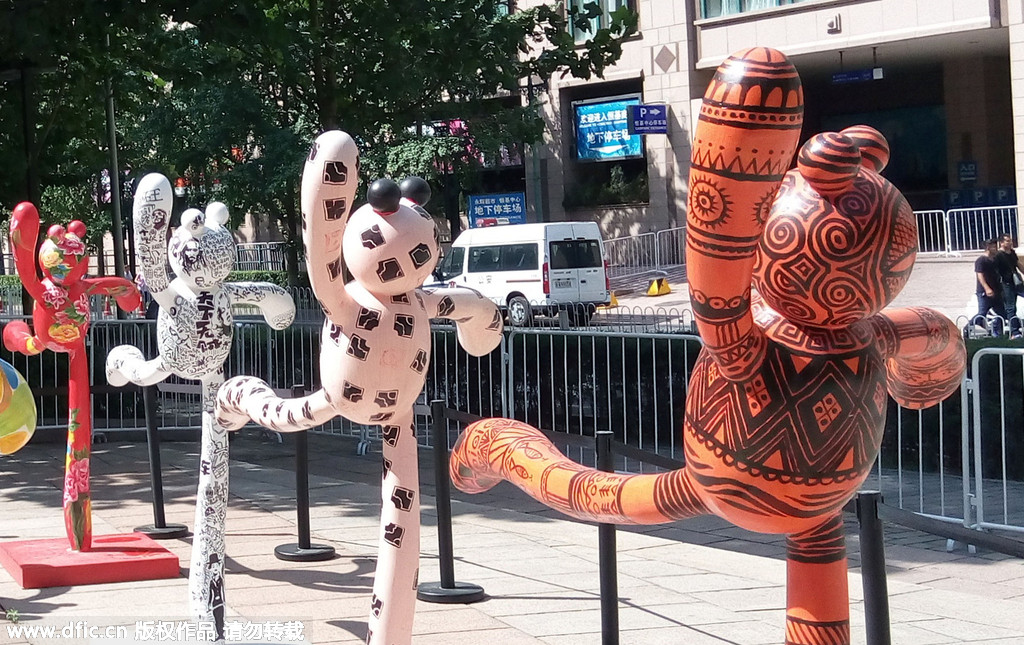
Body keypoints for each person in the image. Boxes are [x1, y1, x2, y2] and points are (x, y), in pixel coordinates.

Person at [975, 238, 1007, 336]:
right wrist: (987, 288)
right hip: (985, 291)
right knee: (982, 313)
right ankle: (968, 328)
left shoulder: (995, 259)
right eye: (993, 246)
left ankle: (996, 331)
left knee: (1002, 313)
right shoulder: (981, 260)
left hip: (996, 290)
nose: (996, 248)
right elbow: (980, 275)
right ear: (988, 247)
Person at [995, 233, 1024, 338]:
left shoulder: (1012, 253)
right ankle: (1014, 332)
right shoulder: (998, 255)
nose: (1010, 242)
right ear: (1002, 242)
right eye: (1008, 240)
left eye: (1010, 240)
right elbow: (996, 272)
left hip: (1016, 282)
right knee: (1011, 307)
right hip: (1006, 284)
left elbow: (1018, 264)